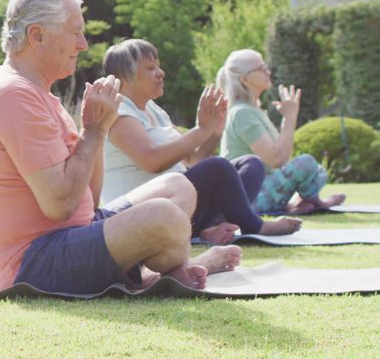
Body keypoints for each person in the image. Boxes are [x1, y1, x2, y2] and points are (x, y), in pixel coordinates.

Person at [0, 0, 241, 293]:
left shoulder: (37, 94)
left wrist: (97, 129)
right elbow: (59, 206)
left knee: (178, 187)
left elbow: (88, 201)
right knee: (166, 218)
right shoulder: (10, 95)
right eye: (75, 32)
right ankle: (167, 272)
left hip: (76, 233)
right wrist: (93, 131)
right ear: (37, 36)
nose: (83, 44)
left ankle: (163, 272)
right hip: (35, 261)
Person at [102, 40, 301, 242]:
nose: (161, 73)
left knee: (250, 165)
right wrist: (201, 129)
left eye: (158, 66)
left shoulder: (154, 109)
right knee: (218, 167)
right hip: (141, 213)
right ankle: (254, 225)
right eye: (151, 68)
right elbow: (151, 160)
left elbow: (191, 161)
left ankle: (208, 227)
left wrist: (213, 133)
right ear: (124, 76)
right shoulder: (119, 111)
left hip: (177, 202)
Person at [217, 49, 346, 214]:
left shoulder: (252, 110)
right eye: (261, 69)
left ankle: (300, 201)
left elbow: (280, 161)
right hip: (250, 197)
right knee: (306, 163)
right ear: (244, 79)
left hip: (260, 190)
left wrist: (288, 118)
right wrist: (290, 118)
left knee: (318, 171)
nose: (267, 71)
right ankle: (314, 202)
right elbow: (276, 160)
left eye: (265, 66)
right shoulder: (242, 113)